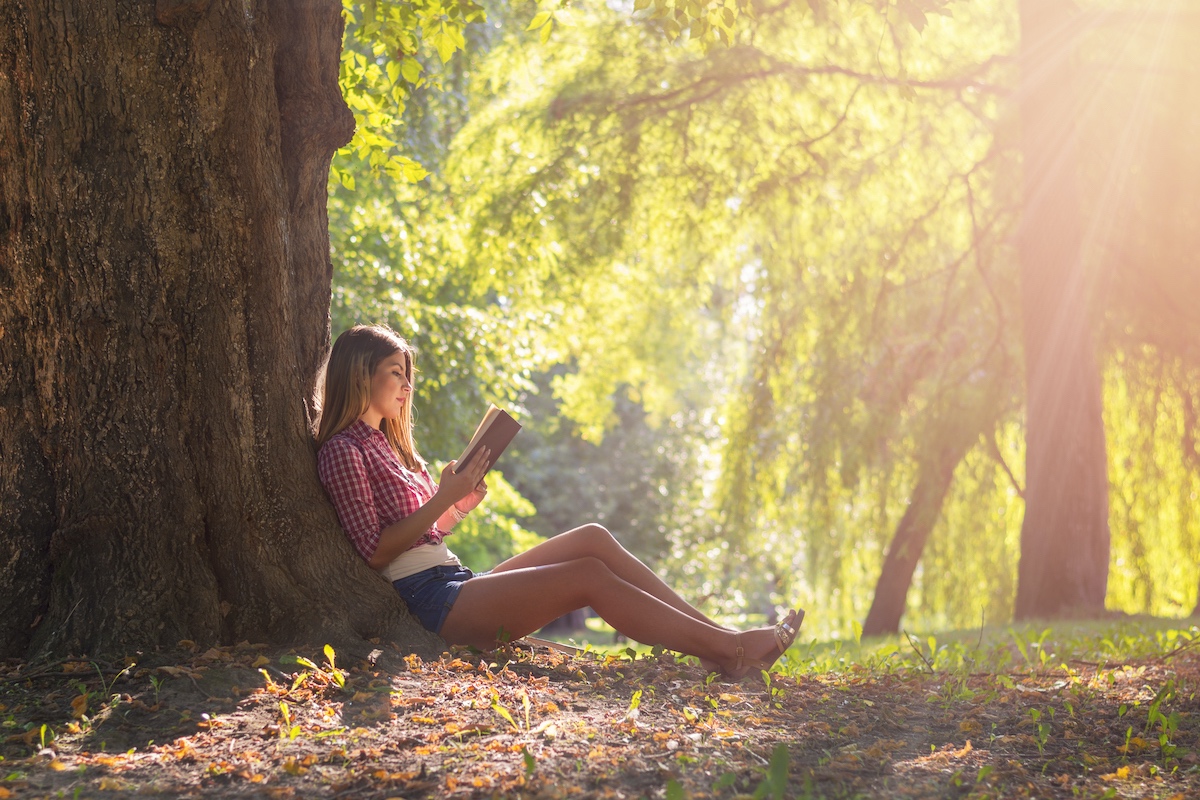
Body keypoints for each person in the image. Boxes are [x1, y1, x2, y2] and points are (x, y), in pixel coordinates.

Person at [315, 324, 803, 679]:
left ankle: (722, 642)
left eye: (408, 374)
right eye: (395, 373)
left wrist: (456, 508)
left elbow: (424, 533)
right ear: (360, 375)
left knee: (592, 538)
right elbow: (375, 551)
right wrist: (443, 495)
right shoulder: (343, 449)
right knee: (587, 576)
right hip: (429, 600)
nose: (407, 386)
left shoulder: (390, 446)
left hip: (453, 579)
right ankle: (734, 650)